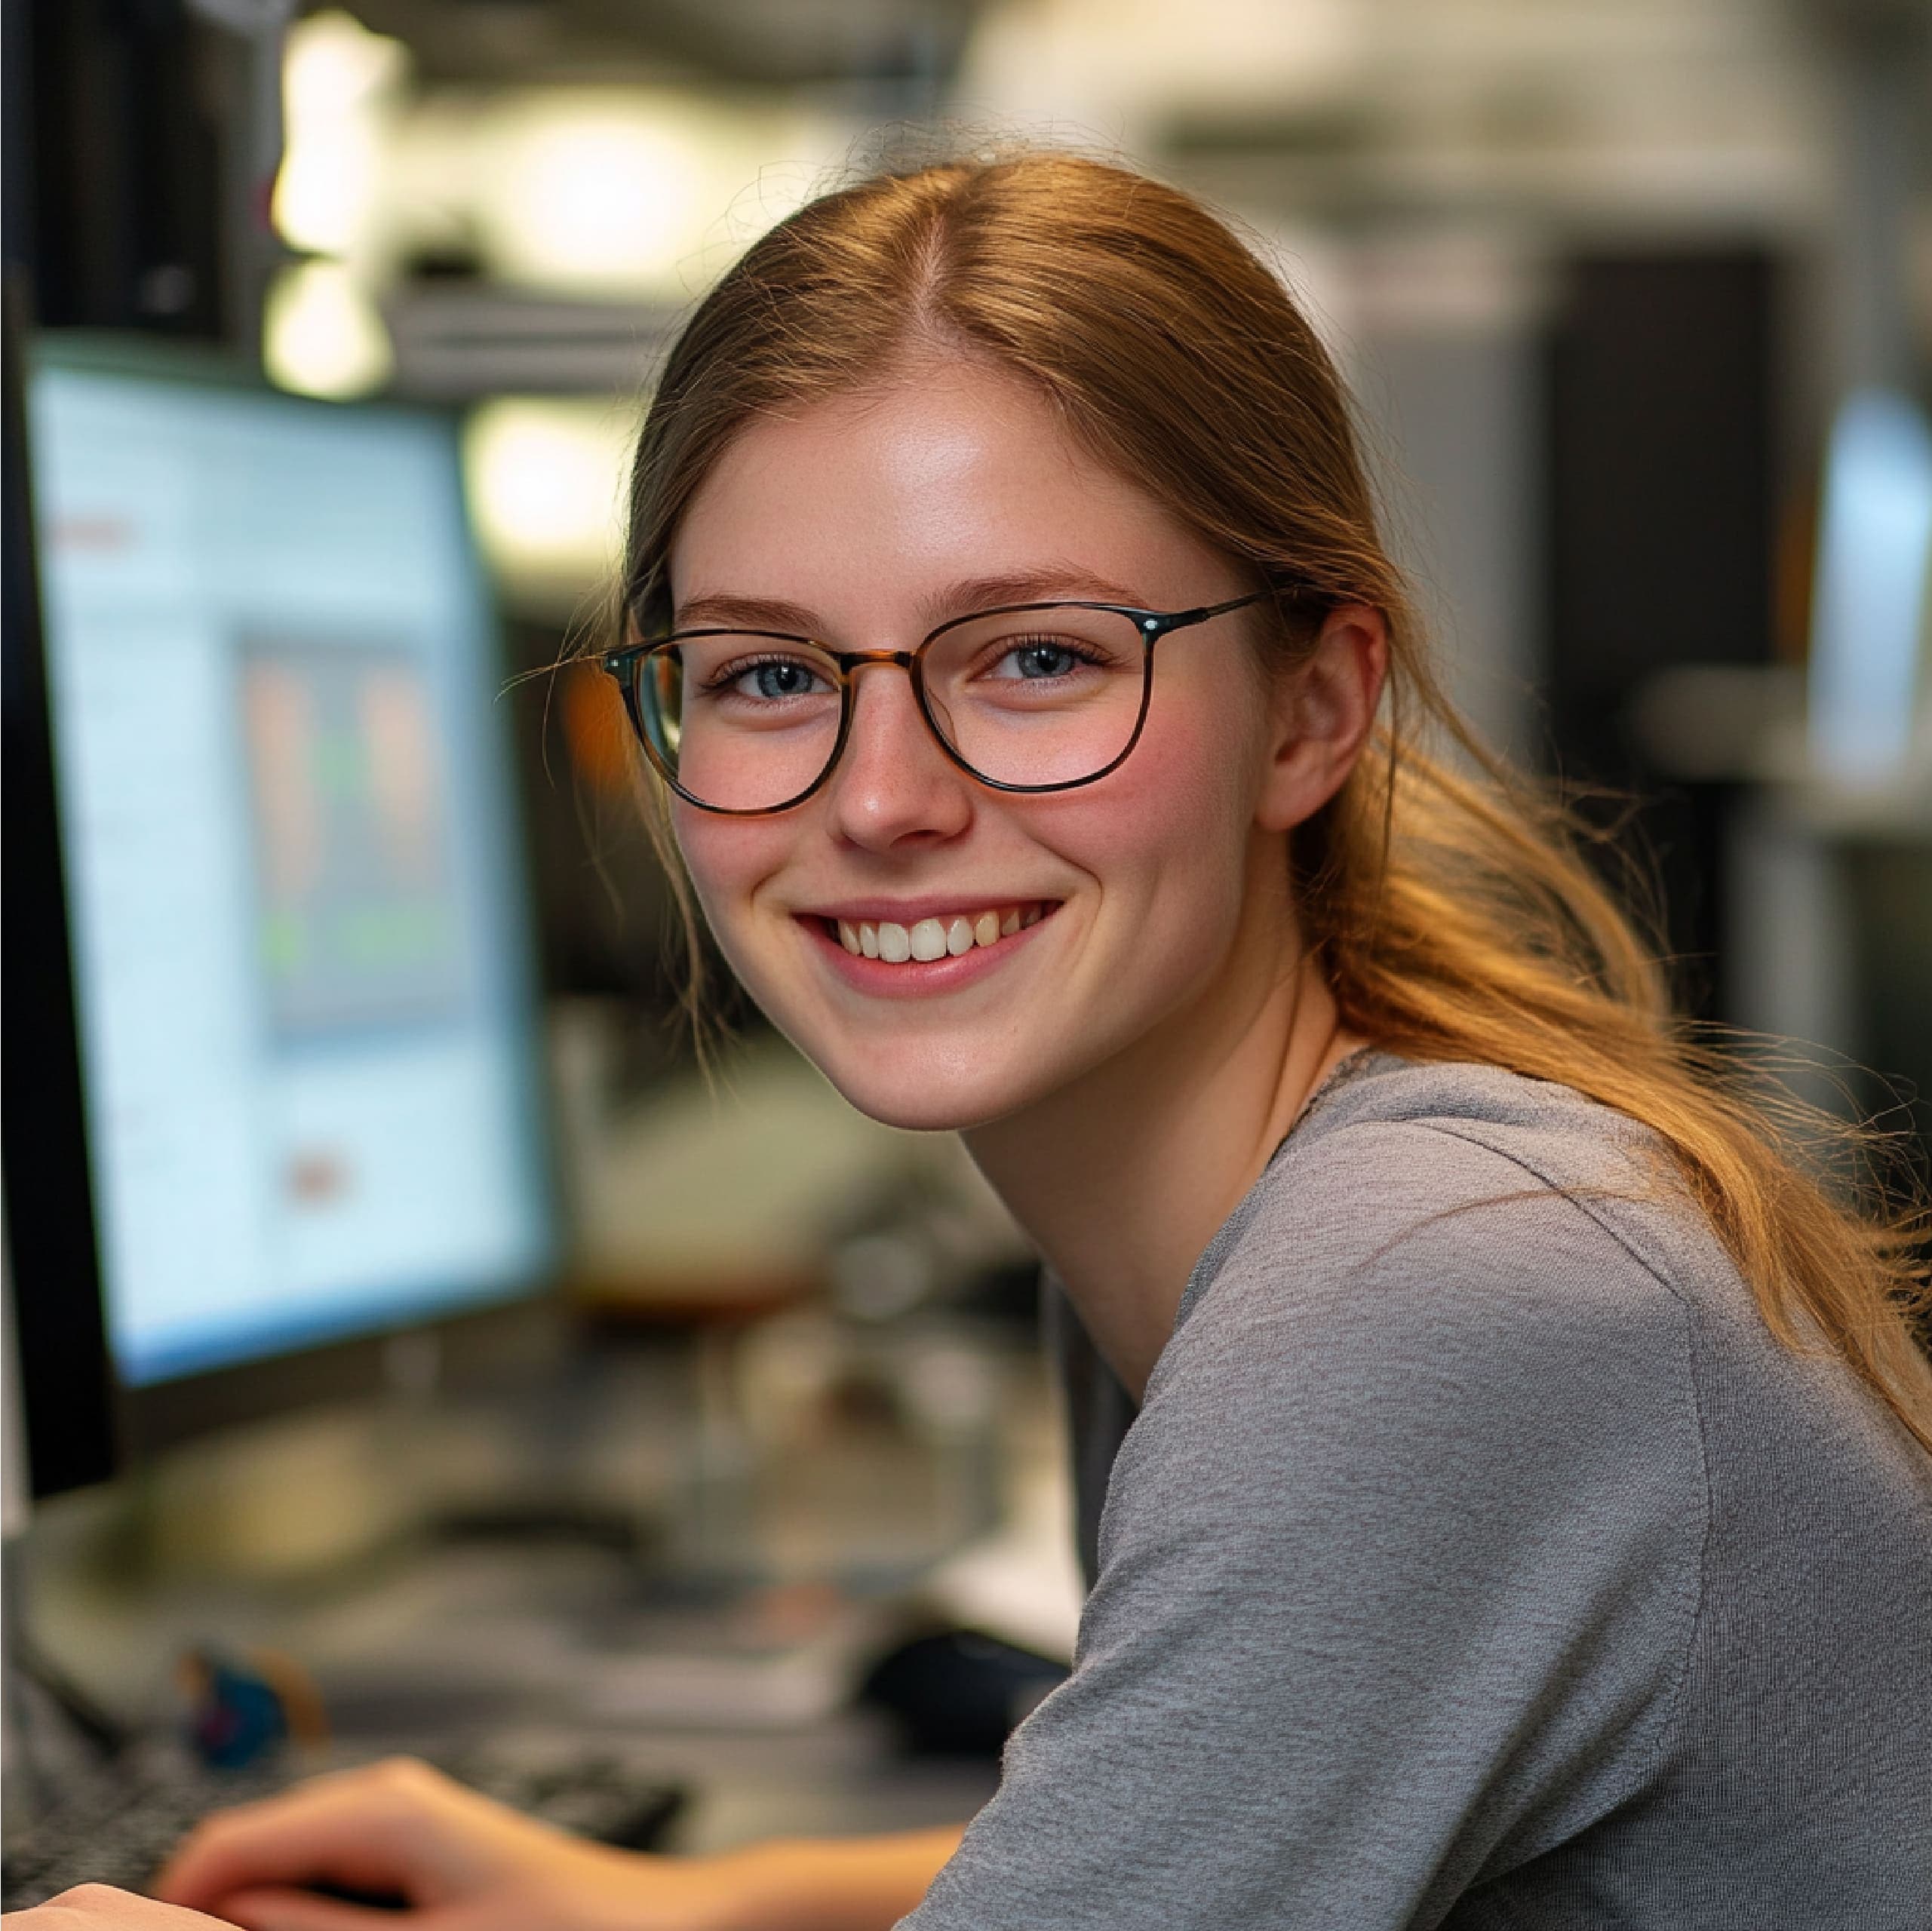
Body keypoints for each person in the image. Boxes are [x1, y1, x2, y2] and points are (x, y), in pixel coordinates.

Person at [16, 150, 1931, 1931]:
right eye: (772, 672)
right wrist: (702, 1903)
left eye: (1035, 656)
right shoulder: (1228, 1234)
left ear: (1311, 709)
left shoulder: (1432, 1294)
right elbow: (1212, 1832)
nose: (882, 799)